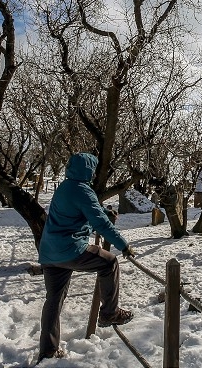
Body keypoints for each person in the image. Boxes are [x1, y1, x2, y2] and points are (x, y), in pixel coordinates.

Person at [37, 152, 136, 362]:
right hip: (70, 249)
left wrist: (101, 214)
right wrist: (123, 245)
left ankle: (47, 350)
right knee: (109, 262)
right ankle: (109, 313)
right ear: (89, 170)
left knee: (53, 300)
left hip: (49, 252)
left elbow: (80, 215)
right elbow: (101, 223)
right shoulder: (83, 191)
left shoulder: (65, 187)